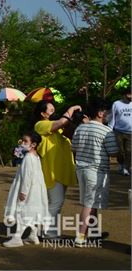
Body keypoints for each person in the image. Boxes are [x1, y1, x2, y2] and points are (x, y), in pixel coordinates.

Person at [71, 102, 119, 247]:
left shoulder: (80, 127)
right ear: (100, 113)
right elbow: (113, 152)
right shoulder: (106, 131)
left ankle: (94, 232)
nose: (109, 115)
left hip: (81, 169)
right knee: (89, 204)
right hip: (97, 171)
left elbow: (73, 147)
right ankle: (80, 236)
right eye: (108, 112)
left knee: (92, 203)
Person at [33, 101, 80, 238]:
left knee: (55, 202)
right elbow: (60, 122)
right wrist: (71, 108)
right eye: (51, 110)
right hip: (51, 170)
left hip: (61, 170)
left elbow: (68, 129)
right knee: (56, 202)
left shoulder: (58, 129)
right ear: (43, 114)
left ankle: (45, 230)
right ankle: (49, 232)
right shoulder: (41, 125)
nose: (54, 112)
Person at [3, 131, 49, 247]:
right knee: (32, 211)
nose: (22, 143)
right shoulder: (35, 156)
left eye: (25, 141)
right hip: (36, 189)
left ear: (33, 144)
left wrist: (23, 191)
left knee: (22, 211)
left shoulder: (28, 157)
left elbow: (27, 176)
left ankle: (17, 238)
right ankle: (33, 235)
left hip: (28, 189)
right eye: (22, 141)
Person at [108, 89, 131, 176]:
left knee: (129, 151)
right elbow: (112, 117)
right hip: (118, 131)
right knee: (120, 151)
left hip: (130, 132)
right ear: (124, 95)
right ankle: (121, 165)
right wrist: (110, 128)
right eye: (129, 94)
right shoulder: (116, 104)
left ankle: (126, 168)